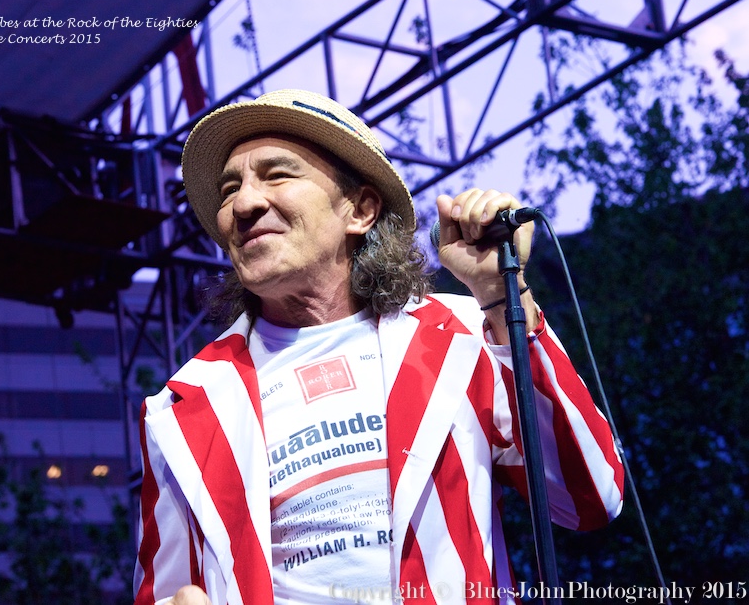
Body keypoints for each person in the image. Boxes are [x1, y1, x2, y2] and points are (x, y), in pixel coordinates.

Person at [133, 89, 623, 605]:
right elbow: (165, 593)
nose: (244, 203)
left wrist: (503, 298)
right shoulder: (185, 408)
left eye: (277, 175)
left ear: (360, 210)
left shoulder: (458, 335)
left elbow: (590, 495)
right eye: (230, 188)